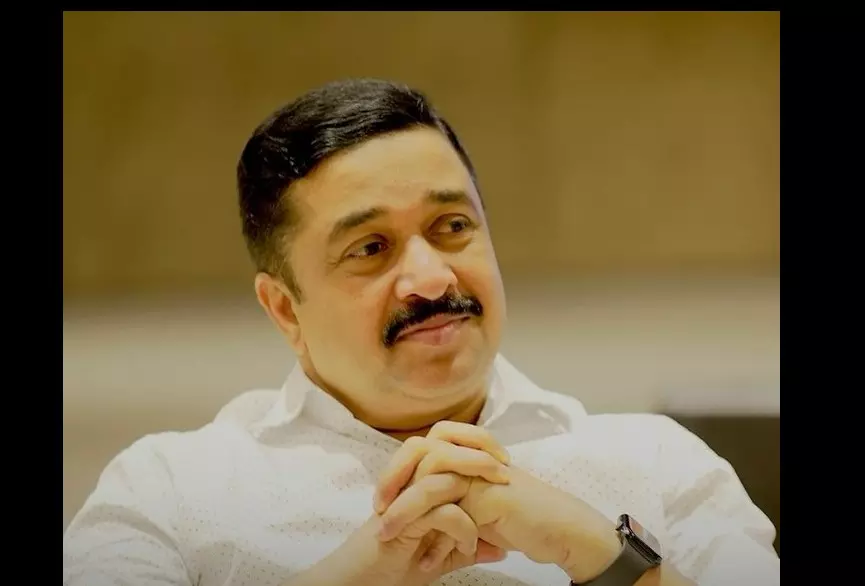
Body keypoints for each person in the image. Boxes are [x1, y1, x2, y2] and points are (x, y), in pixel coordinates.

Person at [63, 78, 780, 586]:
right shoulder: (170, 489)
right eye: (370, 248)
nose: (432, 279)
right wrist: (360, 571)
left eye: (452, 226)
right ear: (284, 309)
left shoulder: (657, 464)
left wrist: (598, 553)